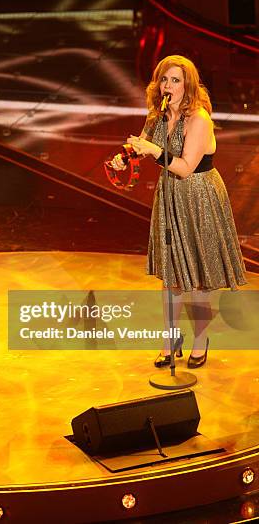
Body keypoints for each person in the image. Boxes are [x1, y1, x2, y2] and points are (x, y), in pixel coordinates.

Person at [111, 55, 246, 368]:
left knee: (198, 275)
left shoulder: (199, 118)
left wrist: (154, 152)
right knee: (171, 275)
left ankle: (201, 339)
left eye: (175, 80)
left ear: (188, 85)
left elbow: (184, 167)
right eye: (164, 80)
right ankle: (171, 339)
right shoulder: (158, 113)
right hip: (169, 197)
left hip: (199, 196)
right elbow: (143, 143)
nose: (168, 86)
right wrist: (125, 156)